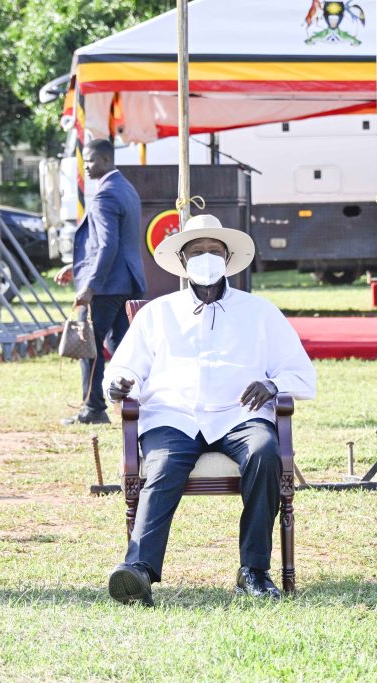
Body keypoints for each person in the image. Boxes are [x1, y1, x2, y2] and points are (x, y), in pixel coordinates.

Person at [102, 214, 316, 606]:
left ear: (227, 257)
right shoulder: (157, 313)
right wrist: (119, 383)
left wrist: (272, 385)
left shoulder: (260, 312)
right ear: (183, 262)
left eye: (213, 251)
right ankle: (139, 570)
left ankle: (253, 570)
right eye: (196, 252)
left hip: (239, 416)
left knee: (265, 452)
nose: (205, 258)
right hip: (174, 416)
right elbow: (124, 368)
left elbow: (302, 375)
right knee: (163, 466)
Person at [54, 138, 147, 426]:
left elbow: (108, 246)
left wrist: (90, 286)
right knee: (123, 347)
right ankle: (137, 402)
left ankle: (93, 409)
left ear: (106, 160)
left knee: (89, 346)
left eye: (91, 160)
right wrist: (76, 265)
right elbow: (110, 245)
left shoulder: (106, 194)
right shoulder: (126, 188)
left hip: (106, 287)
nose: (87, 166)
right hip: (126, 282)